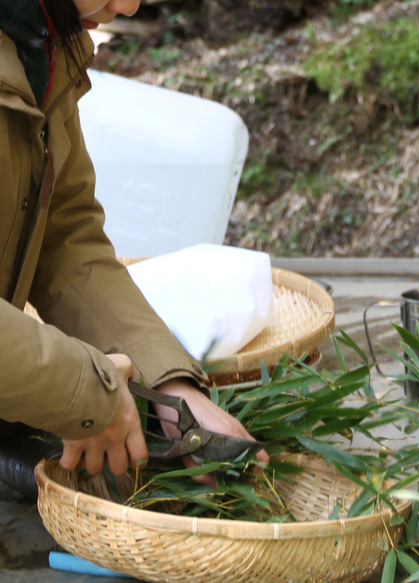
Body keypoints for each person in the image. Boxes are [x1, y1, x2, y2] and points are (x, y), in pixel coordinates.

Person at [0, 0, 268, 497]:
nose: (127, 5)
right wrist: (83, 392)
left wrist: (169, 388)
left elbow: (66, 236)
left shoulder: (42, 43)